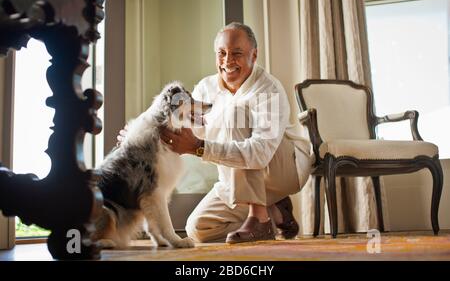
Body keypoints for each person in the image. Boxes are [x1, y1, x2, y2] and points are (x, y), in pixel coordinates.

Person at [119, 22, 314, 244]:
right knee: (198, 229)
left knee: (235, 112)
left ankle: (258, 217)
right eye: (221, 53)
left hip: (285, 168)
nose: (227, 61)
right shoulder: (206, 87)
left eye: (237, 53)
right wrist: (137, 133)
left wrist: (198, 147)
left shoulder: (268, 89)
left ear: (254, 54)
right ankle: (274, 212)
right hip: (240, 177)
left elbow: (260, 153)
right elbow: (180, 124)